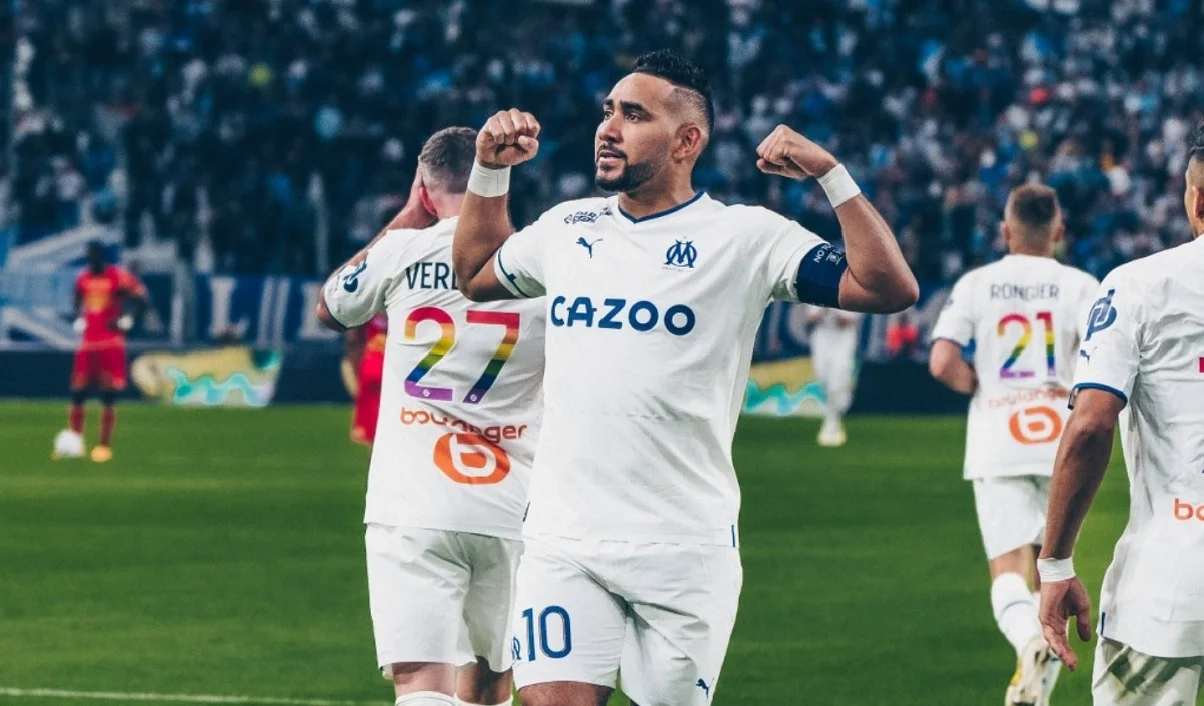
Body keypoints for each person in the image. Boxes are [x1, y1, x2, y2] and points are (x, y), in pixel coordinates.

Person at [452, 50, 918, 706]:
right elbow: (475, 274)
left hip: (684, 547)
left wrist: (830, 174)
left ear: (686, 141)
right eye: (608, 111)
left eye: (634, 115)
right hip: (564, 538)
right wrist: (490, 171)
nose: (608, 128)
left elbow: (888, 286)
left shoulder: (745, 237)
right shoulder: (566, 227)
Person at [316, 127, 546, 706]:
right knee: (492, 677)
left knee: (421, 680)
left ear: (423, 187)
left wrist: (403, 219)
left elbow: (331, 307)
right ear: (501, 181)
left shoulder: (401, 252)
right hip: (513, 506)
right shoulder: (543, 263)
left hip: (413, 503)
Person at [1039, 125, 1204, 706]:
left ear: (1197, 199)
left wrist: (1055, 563)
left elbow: (1090, 423)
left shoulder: (1138, 286)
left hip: (1172, 582)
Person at [929, 184, 1099, 706]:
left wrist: (980, 388)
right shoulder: (1081, 285)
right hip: (1062, 441)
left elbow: (941, 361)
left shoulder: (977, 284)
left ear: (1005, 231)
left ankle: (1029, 642)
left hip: (999, 439)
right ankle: (1036, 691)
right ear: (1059, 231)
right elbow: (1102, 359)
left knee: (1008, 570)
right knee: (1054, 570)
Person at [62, 240, 148, 463]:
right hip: (88, 343)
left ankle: (103, 446)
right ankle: (75, 444)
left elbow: (141, 299)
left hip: (110, 343)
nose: (91, 260)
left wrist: (127, 319)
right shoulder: (82, 278)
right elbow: (76, 301)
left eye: (94, 255)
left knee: (108, 396)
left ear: (101, 256)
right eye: (88, 256)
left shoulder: (117, 276)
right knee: (78, 393)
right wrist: (78, 317)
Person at [804, 304, 862, 447]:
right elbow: (810, 317)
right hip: (822, 336)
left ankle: (832, 422)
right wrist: (823, 310)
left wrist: (833, 311)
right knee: (822, 377)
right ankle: (832, 416)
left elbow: (850, 320)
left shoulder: (851, 293)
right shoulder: (817, 292)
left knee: (837, 380)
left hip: (843, 338)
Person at [345, 312, 389, 446]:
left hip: (371, 364)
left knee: (372, 422)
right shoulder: (400, 313)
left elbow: (353, 340)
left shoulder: (368, 314)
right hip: (392, 367)